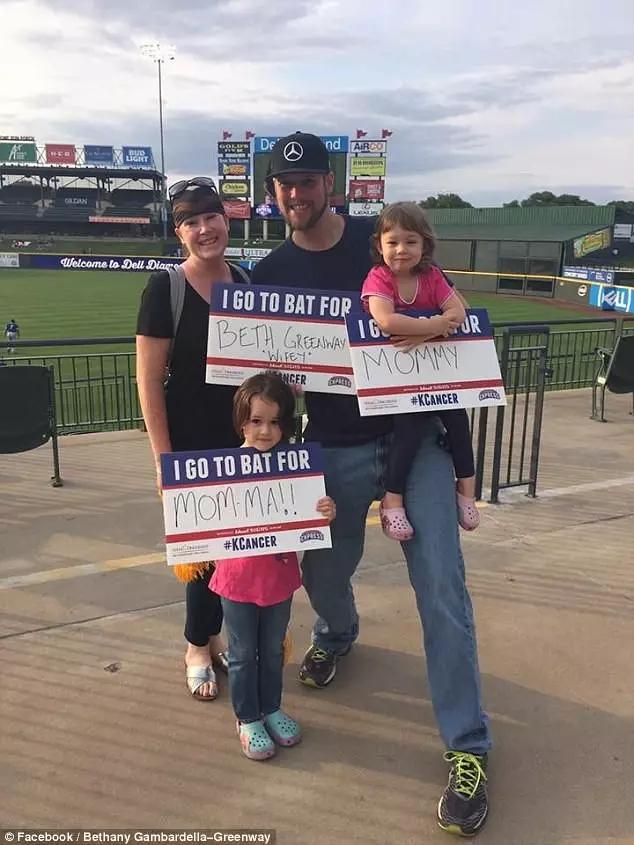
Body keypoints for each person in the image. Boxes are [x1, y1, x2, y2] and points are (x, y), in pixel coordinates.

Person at [251, 133, 491, 836]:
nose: (296, 194)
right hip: (333, 444)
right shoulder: (269, 269)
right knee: (322, 576)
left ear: (330, 183)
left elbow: (445, 292)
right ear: (274, 193)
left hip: (415, 439)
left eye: (308, 181)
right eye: (284, 185)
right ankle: (338, 631)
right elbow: (264, 371)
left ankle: (468, 746)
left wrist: (453, 318)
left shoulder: (380, 240)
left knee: (443, 588)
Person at [136, 177, 247, 702]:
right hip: (189, 443)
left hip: (246, 441)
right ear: (179, 231)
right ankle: (195, 644)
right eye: (191, 221)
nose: (205, 229)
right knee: (201, 554)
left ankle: (215, 632)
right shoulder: (167, 288)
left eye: (211, 217)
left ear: (227, 219)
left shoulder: (247, 281)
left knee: (236, 549)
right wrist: (163, 459)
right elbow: (149, 381)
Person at [211, 372, 336, 760]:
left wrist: (325, 512)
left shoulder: (298, 467)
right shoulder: (223, 468)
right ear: (241, 422)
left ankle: (271, 707)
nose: (265, 431)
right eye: (256, 421)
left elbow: (310, 514)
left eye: (275, 422)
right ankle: (247, 716)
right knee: (244, 652)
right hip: (238, 579)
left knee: (272, 648)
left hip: (279, 579)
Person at [361, 202, 480, 541]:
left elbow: (459, 311)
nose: (401, 250)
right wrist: (437, 325)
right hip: (399, 381)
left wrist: (428, 331)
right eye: (393, 241)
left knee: (459, 424)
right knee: (408, 433)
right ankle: (393, 500)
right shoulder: (379, 277)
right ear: (379, 245)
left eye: (410, 241)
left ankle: (466, 492)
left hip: (437, 376)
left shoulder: (431, 276)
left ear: (424, 245)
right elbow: (385, 320)